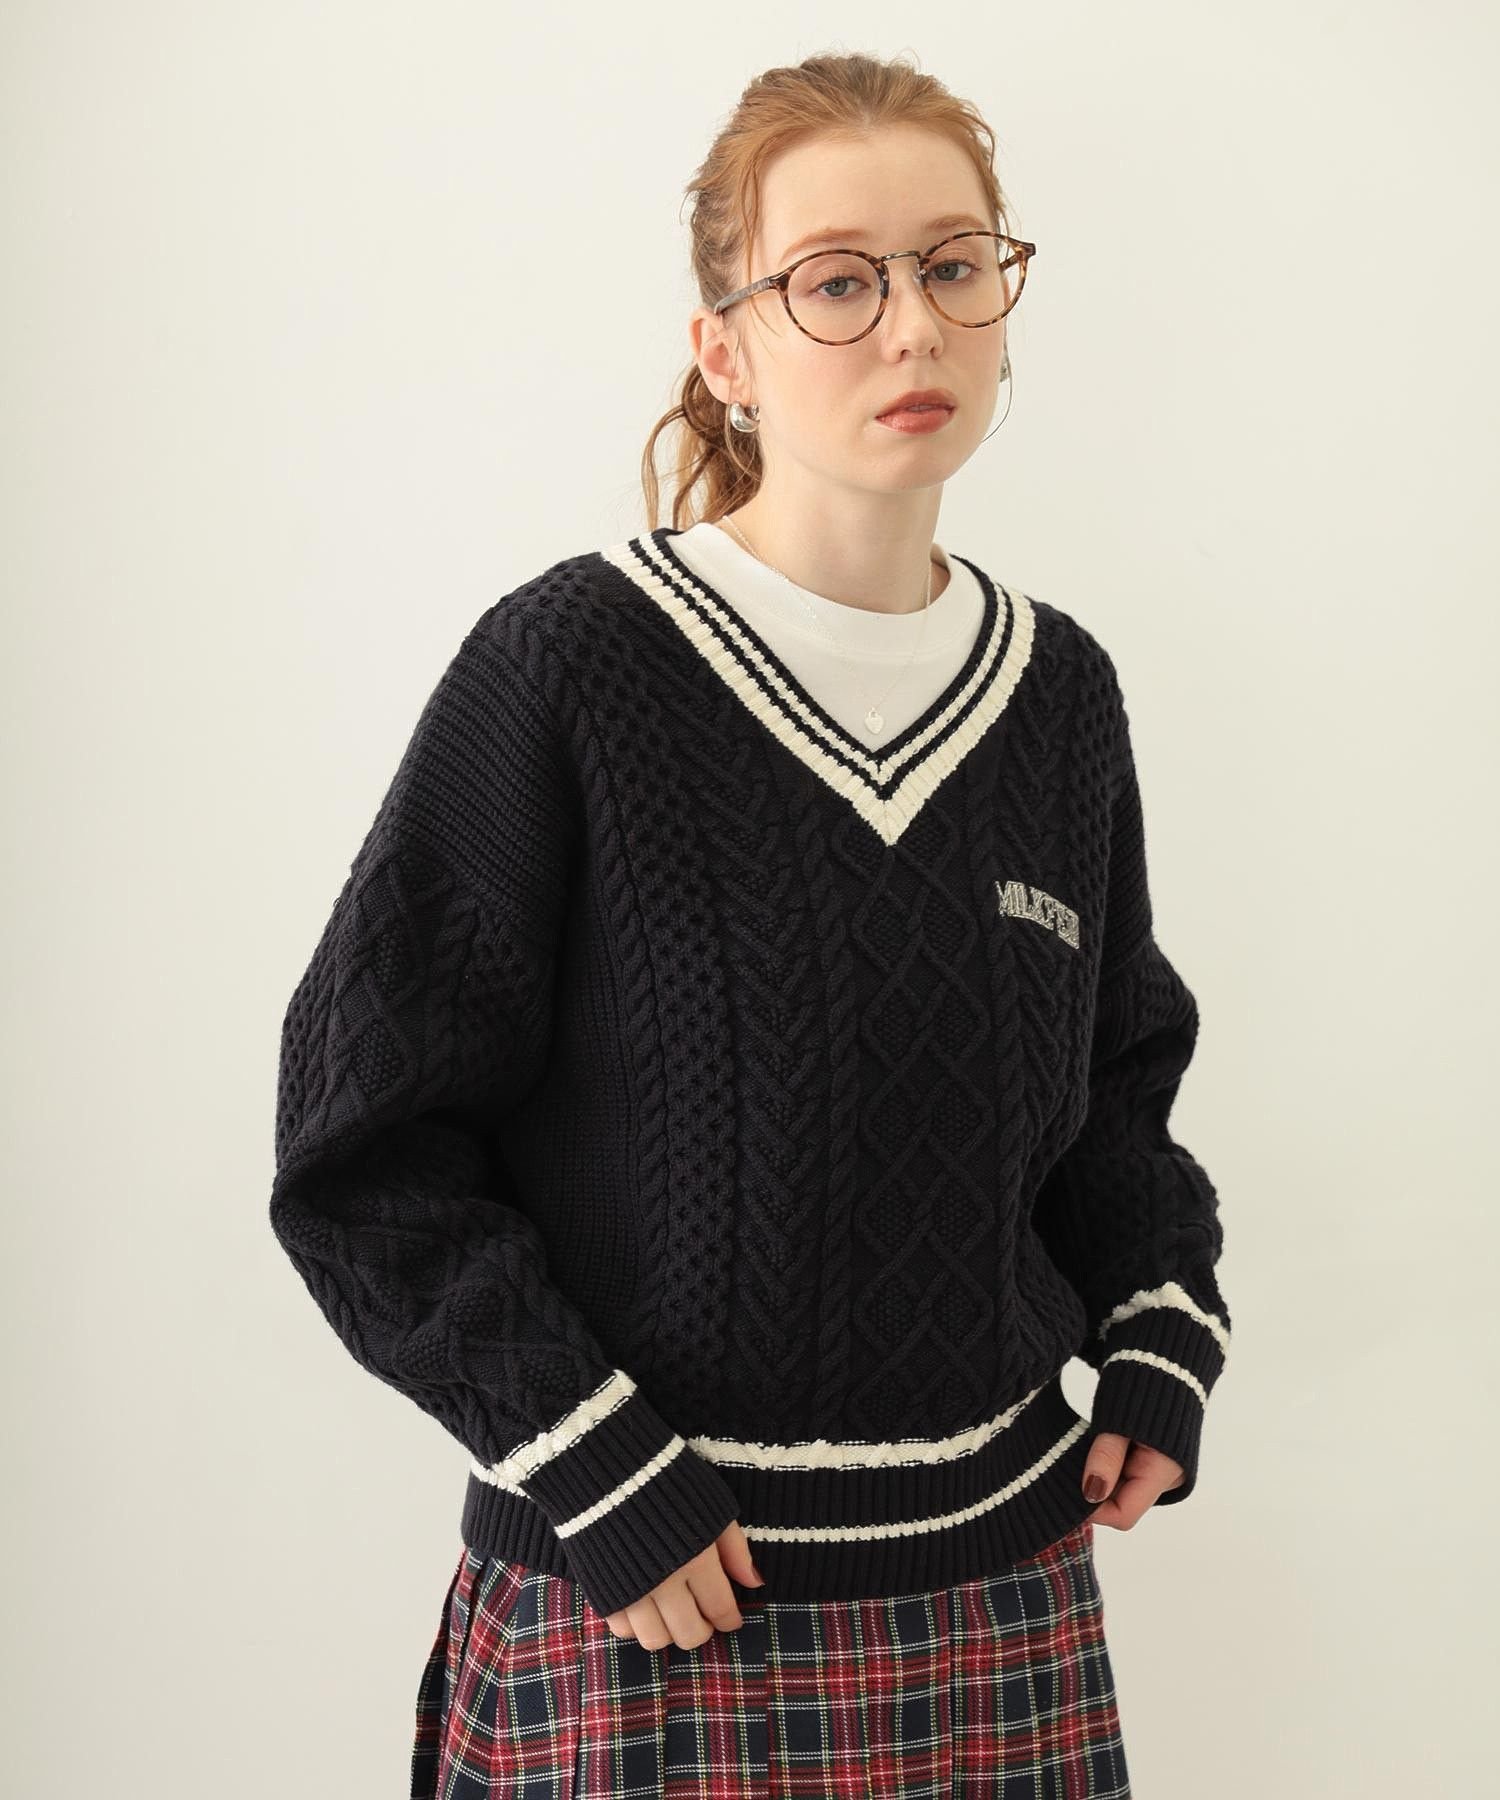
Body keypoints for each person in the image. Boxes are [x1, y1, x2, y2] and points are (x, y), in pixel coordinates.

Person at [270, 49, 1230, 1800]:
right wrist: (591, 1464)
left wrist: (1160, 1326)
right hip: (652, 1606)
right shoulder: (569, 669)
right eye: (835, 281)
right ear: (726, 347)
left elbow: (1113, 1086)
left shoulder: (1058, 699)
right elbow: (363, 1147)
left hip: (1000, 1595)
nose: (912, 327)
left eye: (954, 265)